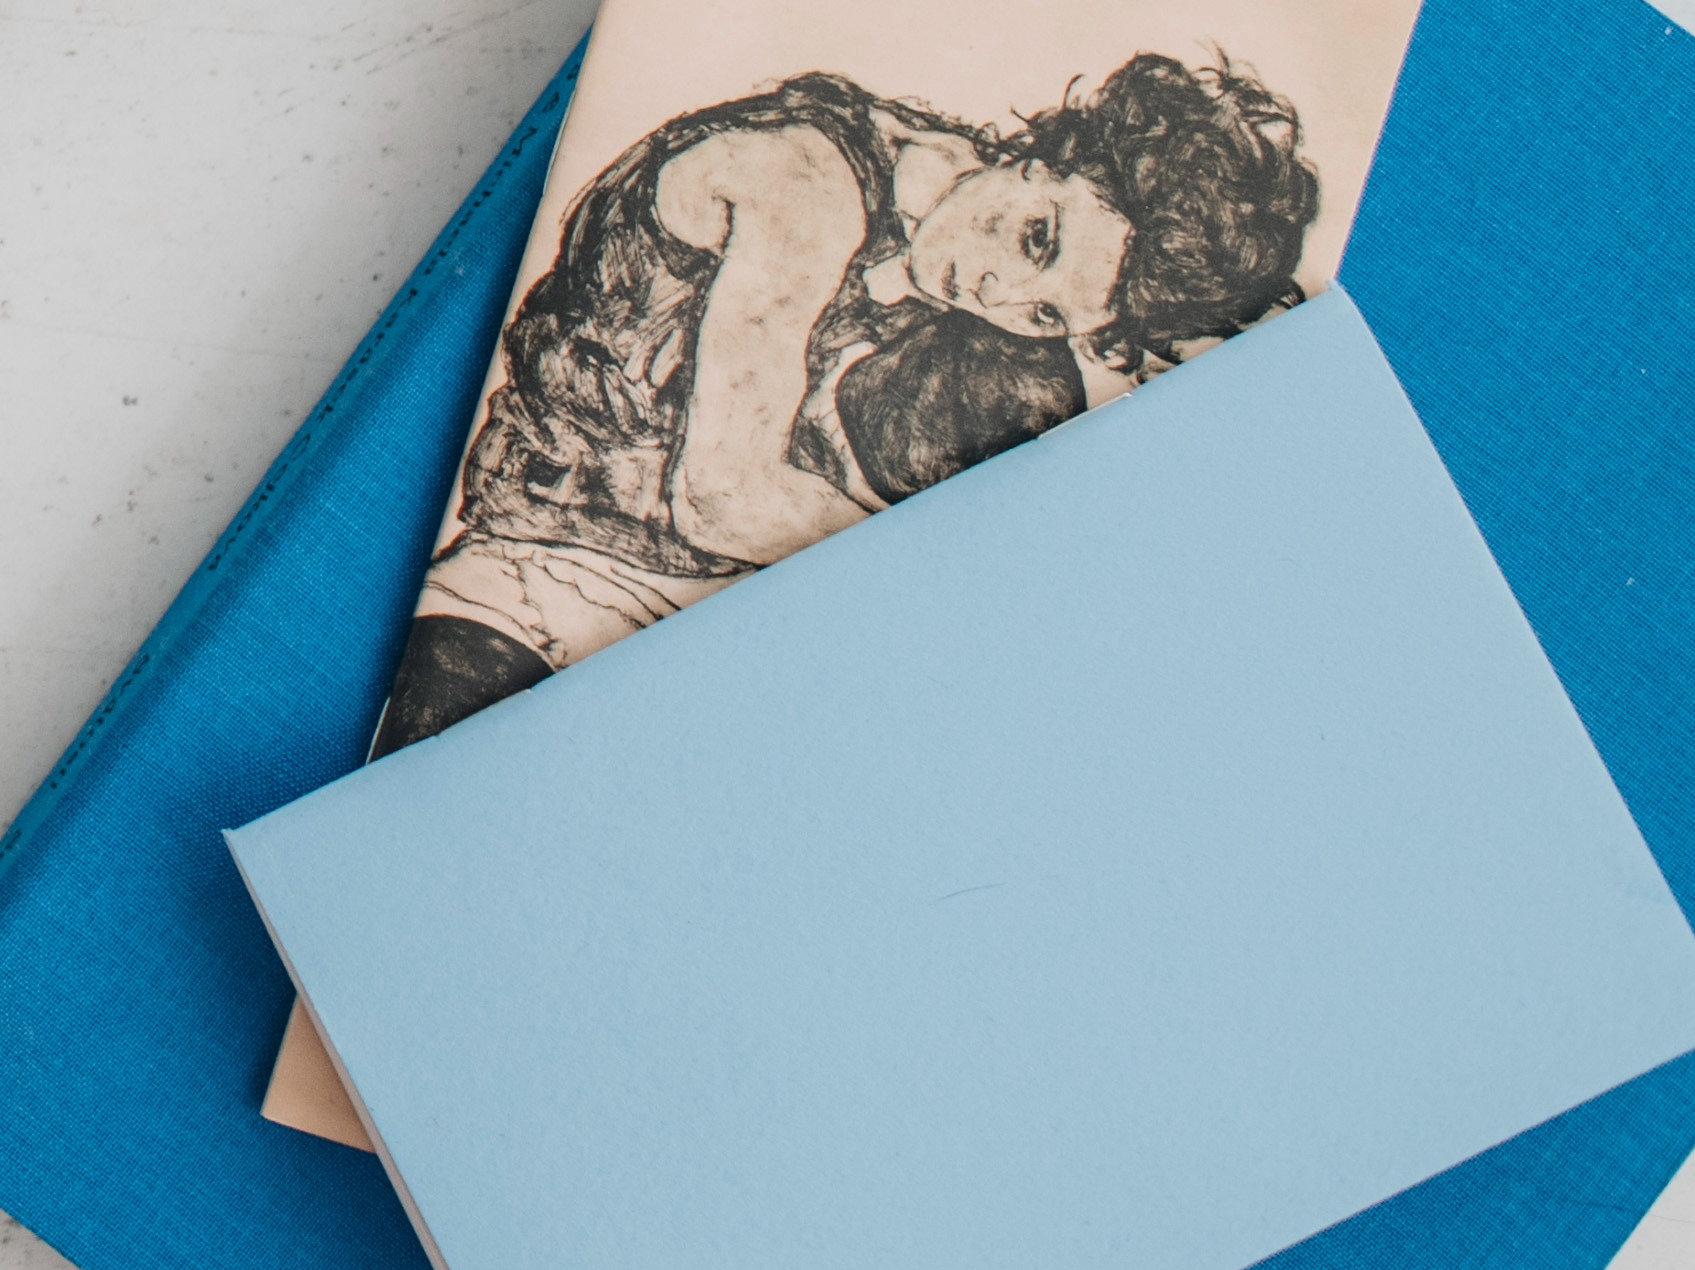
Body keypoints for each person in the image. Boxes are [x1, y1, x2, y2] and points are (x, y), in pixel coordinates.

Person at [370, 52, 1315, 751]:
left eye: (1042, 308)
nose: (996, 292)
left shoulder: (949, 214)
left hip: (745, 625)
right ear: (1047, 155)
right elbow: (722, 496)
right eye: (1035, 239)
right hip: (554, 569)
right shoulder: (808, 179)